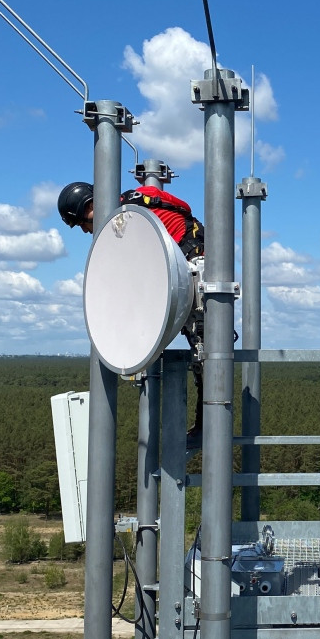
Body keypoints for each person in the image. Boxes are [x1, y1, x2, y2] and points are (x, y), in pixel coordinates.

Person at [58, 181, 206, 446]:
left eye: (83, 221)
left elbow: (178, 213)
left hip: (192, 259)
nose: (84, 229)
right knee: (200, 348)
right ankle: (206, 422)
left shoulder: (130, 215)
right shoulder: (131, 207)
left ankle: (209, 421)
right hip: (180, 259)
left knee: (205, 351)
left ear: (91, 206)